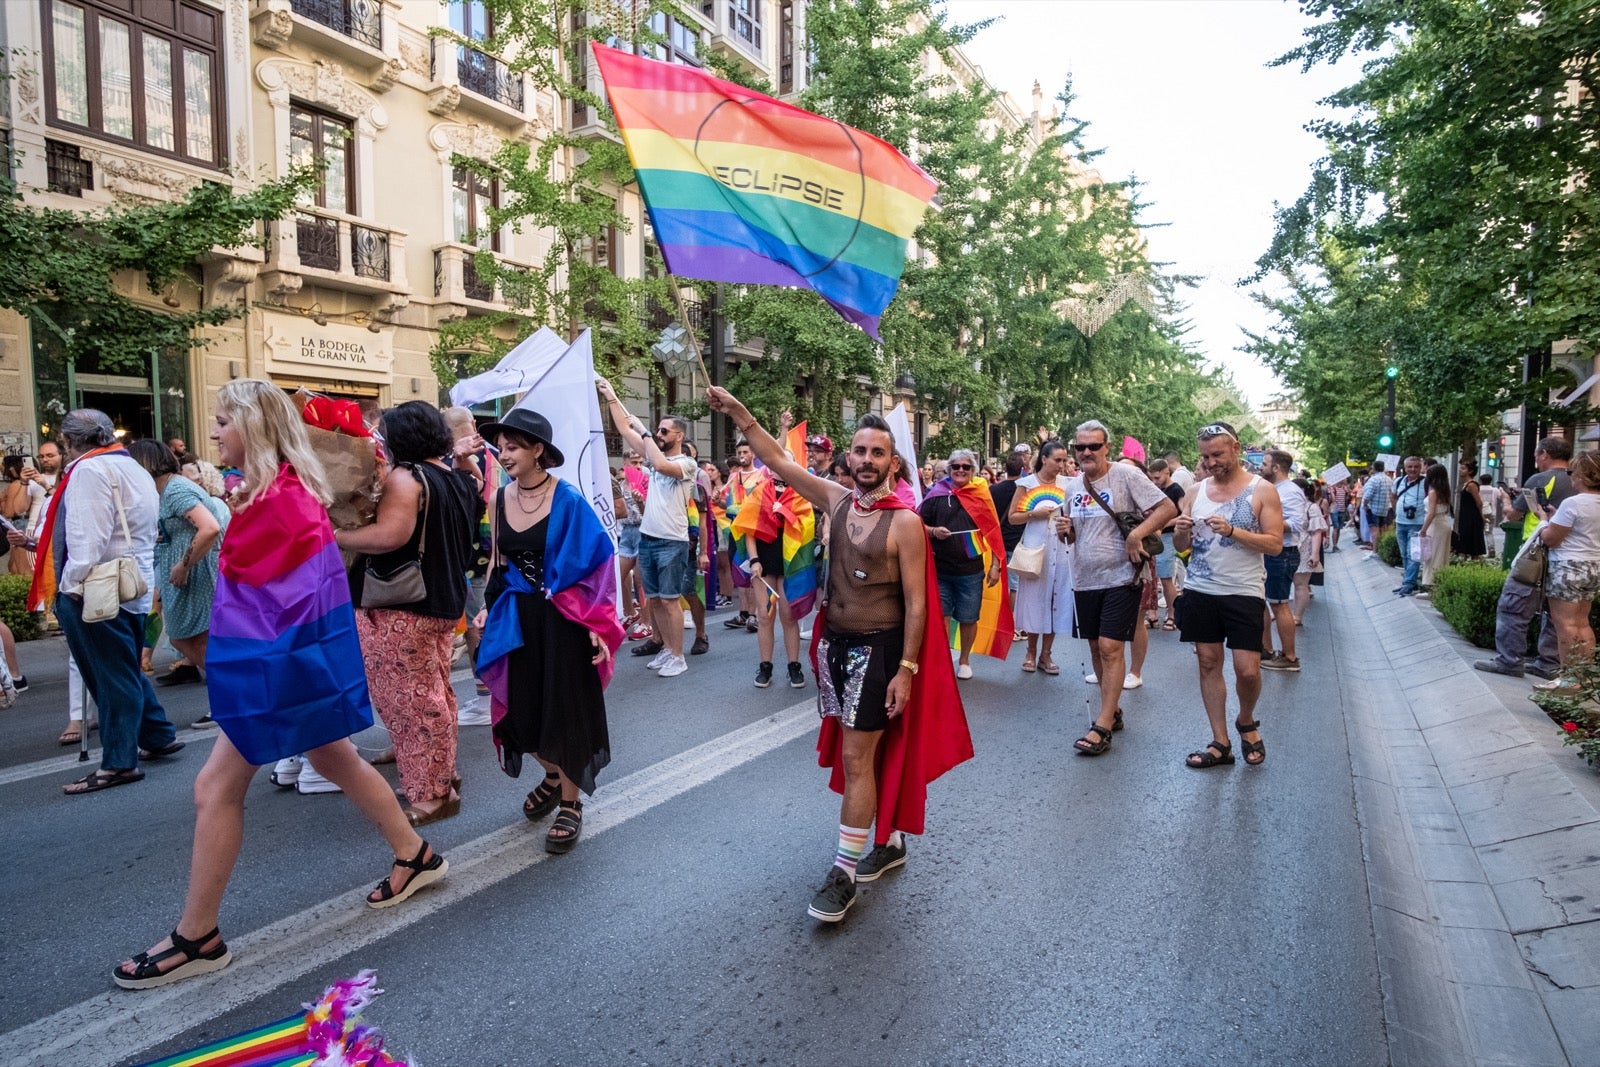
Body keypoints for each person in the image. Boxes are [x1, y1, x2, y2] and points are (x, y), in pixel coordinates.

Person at [113, 380, 447, 990]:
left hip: (276, 677)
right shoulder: (276, 495)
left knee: (215, 786)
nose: (213, 431)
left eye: (221, 421)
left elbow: (282, 612)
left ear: (253, 427)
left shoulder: (281, 501)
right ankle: (415, 854)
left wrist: (250, 685)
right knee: (334, 757)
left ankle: (198, 936)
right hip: (282, 673)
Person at [707, 387, 972, 924]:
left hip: (880, 651)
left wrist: (907, 670)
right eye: (860, 452)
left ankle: (844, 873)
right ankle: (891, 839)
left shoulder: (905, 523)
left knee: (856, 758)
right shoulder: (835, 499)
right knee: (869, 754)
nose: (867, 461)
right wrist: (738, 411)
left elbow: (919, 605)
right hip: (834, 647)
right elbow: (778, 458)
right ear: (848, 457)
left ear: (893, 463)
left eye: (878, 453)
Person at [472, 408, 624, 851]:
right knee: (519, 713)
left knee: (563, 710)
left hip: (565, 619)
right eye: (501, 448)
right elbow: (499, 565)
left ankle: (571, 803)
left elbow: (598, 565)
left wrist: (598, 623)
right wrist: (488, 608)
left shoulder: (568, 499)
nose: (504, 455)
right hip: (517, 618)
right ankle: (555, 775)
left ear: (538, 451)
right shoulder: (499, 499)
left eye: (513, 447)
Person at [336, 402, 478, 827]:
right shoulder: (454, 478)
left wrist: (334, 534)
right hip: (440, 602)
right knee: (435, 696)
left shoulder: (406, 477)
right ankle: (439, 775)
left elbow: (389, 536)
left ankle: (432, 793)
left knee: (411, 702)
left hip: (402, 605)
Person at [29, 410, 181, 795]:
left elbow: (87, 541)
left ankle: (118, 762)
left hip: (97, 587)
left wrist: (70, 586)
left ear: (67, 441)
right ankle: (157, 733)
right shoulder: (130, 466)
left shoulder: (88, 471)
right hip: (130, 582)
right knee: (121, 667)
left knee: (108, 675)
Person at [1058, 423, 1176, 756]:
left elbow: (1168, 508)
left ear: (1106, 447)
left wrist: (1137, 535)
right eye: (1080, 447)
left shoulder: (1125, 476)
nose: (1086, 453)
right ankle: (1113, 710)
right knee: (1096, 647)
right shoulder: (1072, 488)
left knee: (1111, 646)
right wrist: (1064, 530)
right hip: (1084, 579)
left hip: (1122, 576)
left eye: (1093, 446)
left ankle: (1103, 725)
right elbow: (1072, 537)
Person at [1173, 421, 1284, 769]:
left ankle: (1246, 721)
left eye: (1217, 454)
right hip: (1201, 590)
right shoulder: (1195, 492)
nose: (1210, 462)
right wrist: (1179, 532)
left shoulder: (1262, 490)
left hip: (1244, 591)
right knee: (1208, 662)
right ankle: (1220, 742)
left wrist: (1234, 531)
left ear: (1236, 448)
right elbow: (1181, 547)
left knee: (1248, 671)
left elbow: (1275, 544)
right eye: (1205, 456)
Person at [596, 379, 696, 678]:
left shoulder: (686, 463)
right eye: (658, 430)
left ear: (678, 435)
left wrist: (645, 432)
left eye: (664, 431)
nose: (659, 434)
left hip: (672, 541)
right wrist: (612, 397)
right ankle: (666, 648)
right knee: (653, 599)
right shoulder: (655, 454)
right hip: (648, 538)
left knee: (669, 599)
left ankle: (678, 655)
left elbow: (663, 465)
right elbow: (627, 431)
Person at [126, 441, 228, 702]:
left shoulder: (174, 489)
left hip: (197, 572)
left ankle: (232, 697)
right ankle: (231, 698)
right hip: (186, 572)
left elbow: (209, 528)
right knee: (185, 639)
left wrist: (184, 565)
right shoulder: (165, 489)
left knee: (195, 639)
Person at [1475, 437, 1574, 679]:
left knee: (1513, 607)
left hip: (1537, 552)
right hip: (1569, 557)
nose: (1536, 460)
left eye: (1536, 455)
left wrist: (1506, 499)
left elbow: (1513, 516)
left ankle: (1509, 660)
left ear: (1545, 454)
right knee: (1554, 612)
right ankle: (1548, 663)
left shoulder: (1540, 479)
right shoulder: (1577, 481)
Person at [919, 450, 1007, 679]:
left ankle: (965, 660)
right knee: (942, 616)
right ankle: (944, 658)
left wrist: (996, 565)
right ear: (949, 469)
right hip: (940, 569)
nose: (960, 470)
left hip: (971, 571)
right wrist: (933, 531)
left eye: (965, 467)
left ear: (973, 471)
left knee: (969, 618)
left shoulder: (981, 494)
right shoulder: (935, 494)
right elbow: (916, 525)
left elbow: (993, 532)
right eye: (956, 466)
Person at [1527, 451, 1600, 689]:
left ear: (1583, 474)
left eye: (1572, 472)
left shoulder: (1573, 503)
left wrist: (1544, 519)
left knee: (1565, 625)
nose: (1570, 477)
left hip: (1567, 566)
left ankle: (1568, 680)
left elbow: (1550, 539)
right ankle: (1581, 678)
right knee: (1582, 622)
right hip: (1593, 565)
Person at [735, 469, 812, 689]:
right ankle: (765, 666)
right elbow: (747, 529)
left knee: (788, 616)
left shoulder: (800, 492)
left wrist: (786, 513)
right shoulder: (759, 491)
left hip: (790, 563)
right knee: (764, 615)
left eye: (784, 461)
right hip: (764, 561)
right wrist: (754, 560)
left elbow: (806, 527)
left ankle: (793, 666)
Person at [1008, 441, 1073, 673]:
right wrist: (1033, 513)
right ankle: (1030, 651)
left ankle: (1047, 654)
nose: (1061, 464)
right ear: (1044, 459)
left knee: (1055, 600)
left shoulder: (1069, 484)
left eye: (1064, 460)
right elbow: (1012, 517)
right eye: (1057, 459)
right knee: (1035, 600)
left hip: (1062, 548)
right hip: (1035, 549)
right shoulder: (1026, 484)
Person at [1260, 449, 1306, 671]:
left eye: (1265, 463)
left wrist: (1267, 522)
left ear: (1276, 468)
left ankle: (1289, 657)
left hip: (1282, 553)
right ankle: (1266, 651)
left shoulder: (1290, 491)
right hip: (1269, 552)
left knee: (1279, 605)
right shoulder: (1271, 489)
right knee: (1262, 602)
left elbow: (1296, 524)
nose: (1261, 467)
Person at [720, 440, 766, 634]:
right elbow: (726, 505)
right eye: (739, 451)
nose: (741, 455)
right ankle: (744, 613)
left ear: (753, 453)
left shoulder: (762, 474)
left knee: (755, 572)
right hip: (736, 530)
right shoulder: (733, 476)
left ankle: (755, 615)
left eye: (745, 451)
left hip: (755, 530)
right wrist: (719, 501)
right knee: (740, 573)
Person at [1148, 458, 1185, 630]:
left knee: (1165, 577)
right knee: (1151, 577)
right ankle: (1152, 614)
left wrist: (1163, 523)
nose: (1155, 482)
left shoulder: (1176, 489)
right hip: (1154, 537)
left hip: (1168, 537)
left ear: (1166, 472)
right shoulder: (1157, 489)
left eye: (1157, 478)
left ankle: (1173, 615)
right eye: (1152, 479)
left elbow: (1184, 514)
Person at [616, 449, 649, 639]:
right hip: (626, 534)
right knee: (617, 576)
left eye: (640, 463)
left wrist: (641, 500)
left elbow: (649, 513)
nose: (638, 466)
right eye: (634, 462)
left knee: (640, 581)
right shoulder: (619, 485)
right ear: (625, 464)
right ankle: (630, 613)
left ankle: (647, 623)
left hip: (643, 531)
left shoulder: (647, 483)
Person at [1391, 456, 1429, 596]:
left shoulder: (1426, 482)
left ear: (1420, 468)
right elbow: (1393, 497)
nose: (1413, 469)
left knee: (1413, 554)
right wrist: (1396, 512)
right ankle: (1409, 582)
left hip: (1417, 523)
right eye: (1410, 467)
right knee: (1404, 554)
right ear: (1405, 468)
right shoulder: (1398, 481)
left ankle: (1409, 583)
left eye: (1416, 467)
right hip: (1401, 522)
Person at [1292, 480, 1327, 627]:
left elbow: (1316, 532)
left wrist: (1315, 554)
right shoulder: (1284, 505)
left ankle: (1297, 616)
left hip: (1303, 550)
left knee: (1301, 584)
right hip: (1284, 549)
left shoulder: (1311, 508)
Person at [1419, 463, 1454, 588]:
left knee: (1431, 556)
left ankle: (1431, 584)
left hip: (1434, 525)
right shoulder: (1445, 491)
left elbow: (1431, 512)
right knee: (1442, 556)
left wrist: (1423, 529)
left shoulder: (1433, 492)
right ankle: (1439, 583)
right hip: (1443, 524)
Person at [1453, 461, 1486, 558]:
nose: (1460, 470)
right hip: (1466, 516)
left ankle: (1472, 560)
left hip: (1471, 517)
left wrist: (1481, 516)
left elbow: (1479, 502)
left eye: (1463, 468)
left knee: (1471, 541)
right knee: (1465, 539)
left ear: (1470, 471)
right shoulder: (1466, 484)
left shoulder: (1472, 485)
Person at [1362, 461, 1395, 547]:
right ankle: (1381, 548)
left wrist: (1365, 505)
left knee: (1374, 530)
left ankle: (1375, 551)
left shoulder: (1373, 480)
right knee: (1382, 529)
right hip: (1385, 509)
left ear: (1374, 468)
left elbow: (1368, 495)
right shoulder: (1389, 479)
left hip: (1373, 509)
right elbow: (1392, 494)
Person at [1479, 473, 1503, 558]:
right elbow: (1502, 497)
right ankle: (1491, 549)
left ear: (1481, 481)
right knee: (1488, 532)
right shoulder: (1494, 490)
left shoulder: (1478, 489)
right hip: (1491, 513)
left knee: (1478, 532)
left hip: (1480, 513)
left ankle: (1479, 551)